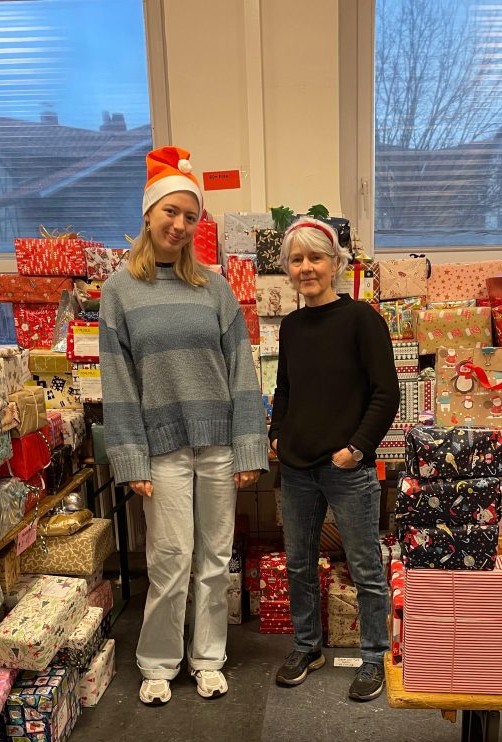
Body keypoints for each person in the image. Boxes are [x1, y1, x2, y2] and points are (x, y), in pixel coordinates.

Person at [100, 146, 269, 706]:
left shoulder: (214, 288)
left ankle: (209, 657)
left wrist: (249, 448)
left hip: (218, 444)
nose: (179, 224)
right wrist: (131, 459)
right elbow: (118, 382)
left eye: (190, 216)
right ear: (148, 213)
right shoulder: (120, 291)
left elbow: (241, 370)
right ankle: (158, 662)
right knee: (169, 560)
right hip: (161, 450)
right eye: (170, 211)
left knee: (215, 560)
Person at [269, 218, 400, 701]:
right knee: (299, 565)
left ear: (335, 263)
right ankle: (307, 647)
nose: (307, 267)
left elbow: (386, 393)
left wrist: (357, 448)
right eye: (297, 259)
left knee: (365, 567)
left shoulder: (362, 319)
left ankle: (374, 656)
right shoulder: (291, 326)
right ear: (288, 269)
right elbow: (285, 388)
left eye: (316, 258)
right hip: (297, 467)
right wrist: (277, 434)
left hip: (348, 468)